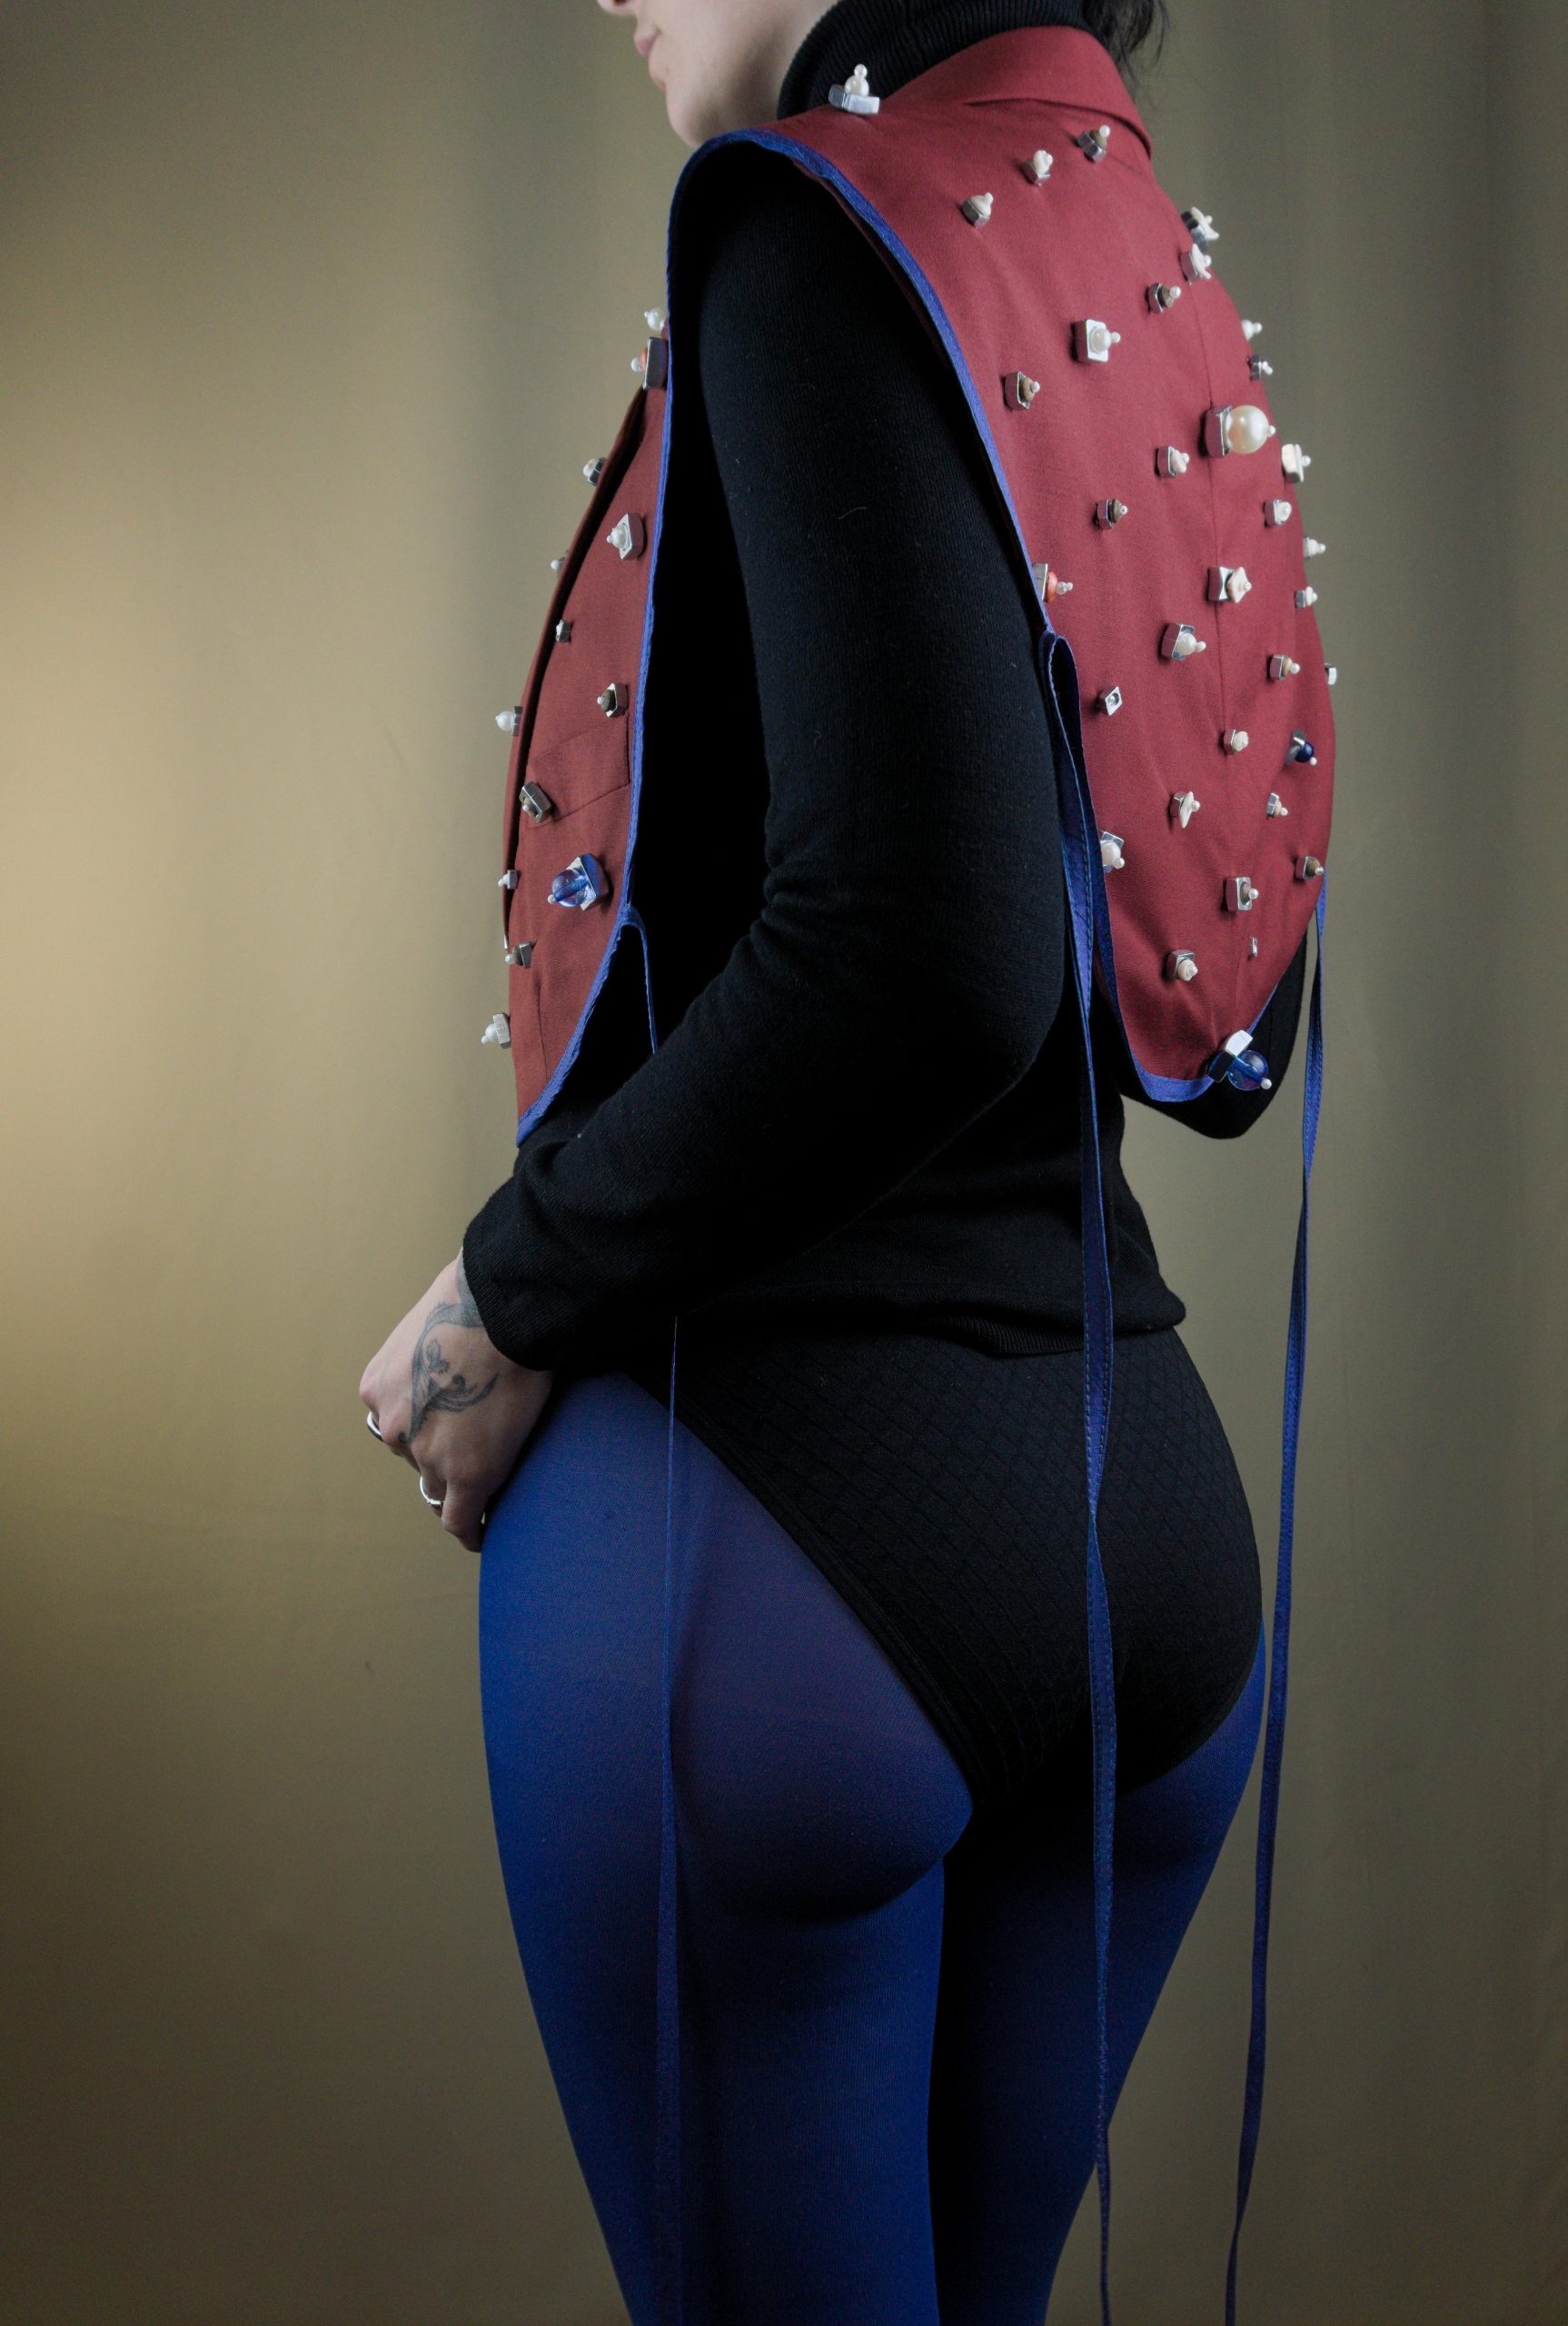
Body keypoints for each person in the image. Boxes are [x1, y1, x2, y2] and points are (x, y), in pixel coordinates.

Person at [358, 0, 1314, 2316]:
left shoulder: (811, 230)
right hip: (1138, 1528)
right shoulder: (1116, 236)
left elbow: (920, 947)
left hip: (771, 1563)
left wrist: (506, 1292)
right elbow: (1197, 938)